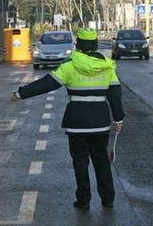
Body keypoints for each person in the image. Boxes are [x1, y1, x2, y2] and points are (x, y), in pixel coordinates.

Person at [11, 28, 124, 210]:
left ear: (78, 44)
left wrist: (20, 93)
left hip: (77, 123)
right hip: (100, 123)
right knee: (101, 160)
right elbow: (115, 97)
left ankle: (83, 200)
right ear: (95, 45)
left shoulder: (70, 65)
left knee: (80, 162)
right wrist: (118, 119)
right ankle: (108, 198)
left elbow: (46, 84)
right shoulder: (108, 66)